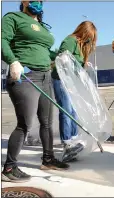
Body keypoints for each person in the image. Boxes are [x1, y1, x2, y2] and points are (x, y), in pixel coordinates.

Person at [1, 1, 69, 183]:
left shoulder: (41, 24)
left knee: (46, 122)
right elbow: (2, 41)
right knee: (25, 124)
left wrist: (61, 57)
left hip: (46, 76)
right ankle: (9, 168)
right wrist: (12, 61)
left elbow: (44, 50)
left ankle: (48, 159)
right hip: (26, 75)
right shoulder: (12, 18)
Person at [51, 21, 97, 162]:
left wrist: (82, 65)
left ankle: (74, 140)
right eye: (89, 36)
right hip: (61, 79)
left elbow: (75, 64)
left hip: (71, 82)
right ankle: (67, 142)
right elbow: (61, 59)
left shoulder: (81, 46)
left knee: (74, 111)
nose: (90, 40)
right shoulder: (70, 41)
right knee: (66, 110)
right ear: (83, 32)